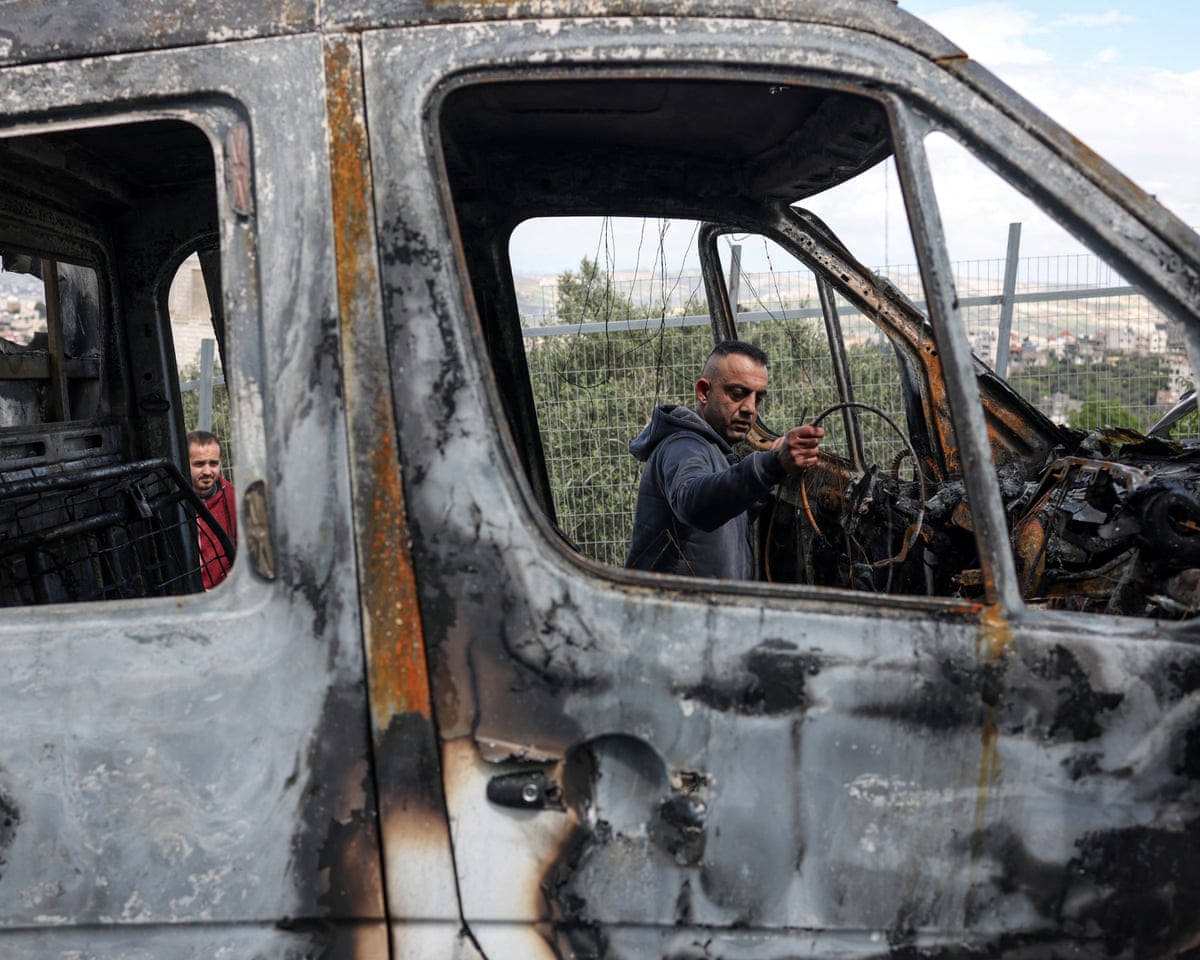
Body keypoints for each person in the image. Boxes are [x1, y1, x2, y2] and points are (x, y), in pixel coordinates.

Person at [625, 340, 823, 579]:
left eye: (758, 398)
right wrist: (771, 466)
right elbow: (693, 503)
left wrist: (773, 470)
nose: (750, 408)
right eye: (738, 394)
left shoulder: (717, 450)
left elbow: (725, 521)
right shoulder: (683, 445)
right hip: (679, 611)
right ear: (704, 392)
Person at [187, 429, 236, 589]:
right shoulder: (174, 504)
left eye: (213, 463)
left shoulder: (235, 498)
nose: (207, 471)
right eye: (199, 464)